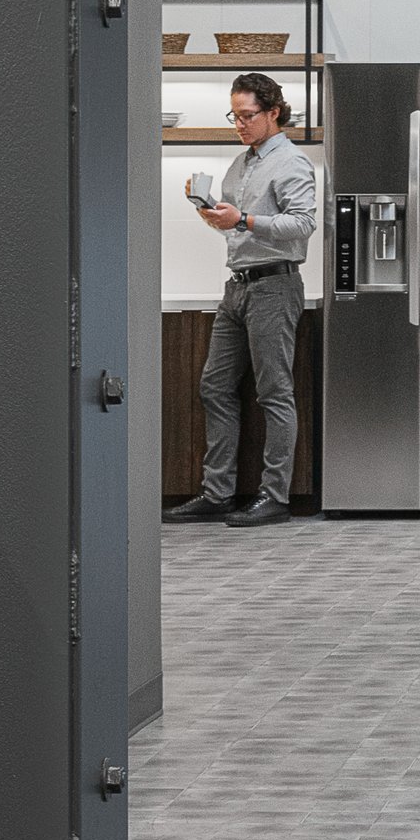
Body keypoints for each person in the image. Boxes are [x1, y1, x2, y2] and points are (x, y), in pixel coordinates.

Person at [165, 72, 319, 530]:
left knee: (274, 393)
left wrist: (245, 219)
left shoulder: (290, 163)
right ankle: (218, 493)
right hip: (237, 287)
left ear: (273, 113)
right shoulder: (242, 163)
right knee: (214, 385)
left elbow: (303, 223)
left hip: (274, 286)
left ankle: (275, 498)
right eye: (235, 115)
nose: (240, 124)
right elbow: (235, 221)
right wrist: (213, 212)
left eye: (248, 115)